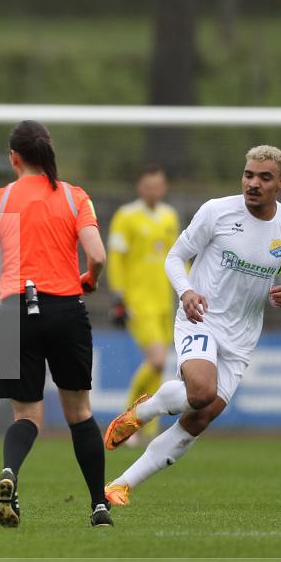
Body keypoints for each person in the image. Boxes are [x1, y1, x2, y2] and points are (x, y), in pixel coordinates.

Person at [104, 145, 281, 506]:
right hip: (201, 317)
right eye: (248, 175)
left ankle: (121, 484)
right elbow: (176, 257)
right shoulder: (216, 212)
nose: (253, 183)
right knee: (200, 393)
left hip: (242, 337)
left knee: (200, 418)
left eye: (264, 177)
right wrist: (187, 292)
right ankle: (144, 412)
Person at [0, 120, 112, 528]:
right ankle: (99, 505)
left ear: (13, 157)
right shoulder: (73, 196)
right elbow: (97, 255)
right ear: (48, 151)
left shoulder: (0, 198)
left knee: (26, 416)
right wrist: (91, 280)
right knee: (79, 413)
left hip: (15, 311)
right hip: (65, 307)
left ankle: (10, 472)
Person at [107, 165, 180, 444]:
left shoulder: (169, 216)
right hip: (138, 301)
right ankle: (126, 421)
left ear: (164, 188)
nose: (154, 190)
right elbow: (116, 257)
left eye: (158, 186)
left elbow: (178, 255)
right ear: (140, 187)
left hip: (164, 300)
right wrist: (118, 295)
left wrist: (187, 287)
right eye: (148, 186)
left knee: (160, 367)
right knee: (157, 360)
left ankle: (147, 428)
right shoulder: (126, 217)